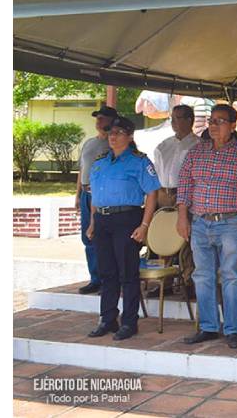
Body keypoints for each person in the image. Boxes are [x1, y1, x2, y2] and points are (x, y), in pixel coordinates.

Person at [178, 104, 237, 349]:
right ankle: (208, 327)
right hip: (200, 222)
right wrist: (182, 217)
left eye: (220, 121)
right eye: (211, 121)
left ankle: (233, 330)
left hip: (231, 223)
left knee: (231, 276)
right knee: (202, 276)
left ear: (233, 125)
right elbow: (184, 185)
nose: (213, 126)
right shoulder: (197, 151)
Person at [85, 116, 160, 340]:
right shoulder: (100, 162)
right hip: (102, 220)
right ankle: (108, 319)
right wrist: (92, 222)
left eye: (118, 133)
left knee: (127, 273)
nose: (113, 137)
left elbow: (152, 194)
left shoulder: (139, 162)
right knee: (107, 273)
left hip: (127, 219)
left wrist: (144, 225)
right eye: (111, 133)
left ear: (129, 136)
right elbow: (95, 196)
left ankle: (129, 322)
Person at [150, 104, 200, 296]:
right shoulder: (163, 145)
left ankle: (189, 280)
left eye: (178, 118)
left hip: (186, 195)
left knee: (187, 238)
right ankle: (165, 282)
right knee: (164, 236)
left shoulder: (198, 145)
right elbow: (156, 173)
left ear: (189, 120)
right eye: (172, 118)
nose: (173, 122)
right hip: (164, 193)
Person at [75, 105, 118, 295]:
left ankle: (109, 279)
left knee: (103, 237)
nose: (98, 122)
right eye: (97, 118)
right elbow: (81, 169)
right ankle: (95, 278)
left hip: (103, 195)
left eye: (102, 118)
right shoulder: (89, 143)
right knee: (88, 237)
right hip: (86, 193)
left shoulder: (114, 143)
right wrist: (77, 194)